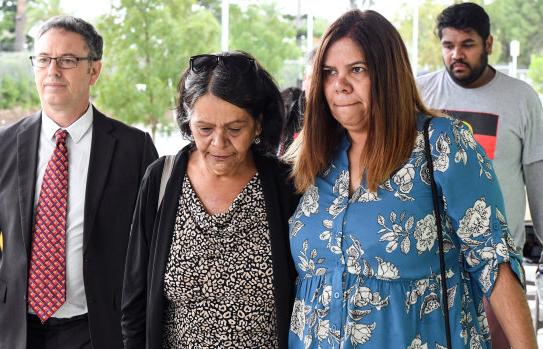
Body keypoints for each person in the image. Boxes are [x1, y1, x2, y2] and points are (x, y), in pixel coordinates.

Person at [285, 9, 536, 348]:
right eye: (329, 72)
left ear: (389, 75)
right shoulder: (311, 156)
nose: (340, 85)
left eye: (357, 70)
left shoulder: (443, 144)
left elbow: (495, 260)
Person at [0, 16, 158, 349]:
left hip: (99, 331)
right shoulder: (0, 144)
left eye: (68, 60)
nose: (52, 70)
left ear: (93, 70)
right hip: (16, 332)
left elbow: (154, 251)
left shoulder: (134, 148)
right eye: (43, 59)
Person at [121, 51, 299, 348]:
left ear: (258, 124)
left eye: (235, 128)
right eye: (204, 129)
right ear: (188, 122)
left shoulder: (285, 186)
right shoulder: (161, 179)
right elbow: (134, 301)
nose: (219, 143)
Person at [416, 4, 543, 347]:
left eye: (467, 44)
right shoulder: (419, 93)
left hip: (498, 269)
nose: (457, 54)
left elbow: (537, 177)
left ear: (488, 44)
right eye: (448, 45)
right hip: (432, 267)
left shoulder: (521, 98)